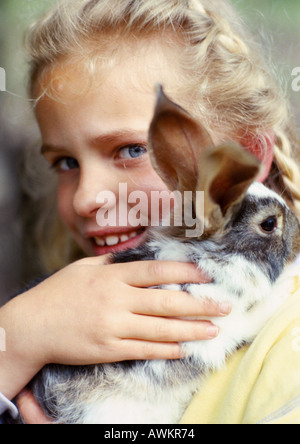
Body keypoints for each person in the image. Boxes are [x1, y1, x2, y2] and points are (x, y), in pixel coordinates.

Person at [1, 0, 300, 424]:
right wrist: (16, 339)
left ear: (241, 157)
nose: (86, 198)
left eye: (133, 150)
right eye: (66, 163)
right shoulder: (50, 315)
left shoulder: (286, 347)